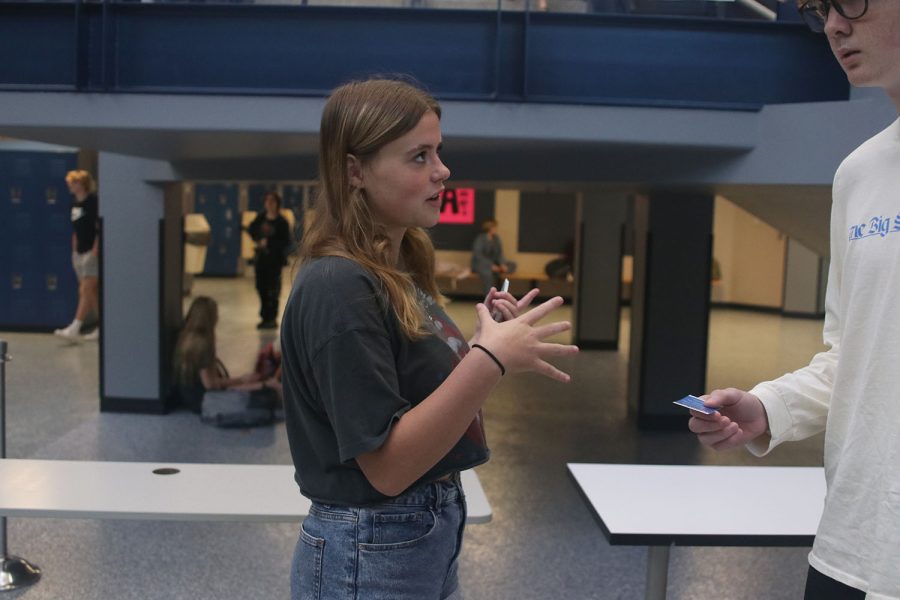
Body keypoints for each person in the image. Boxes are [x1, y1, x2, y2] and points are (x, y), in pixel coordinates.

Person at [281, 78, 579, 600]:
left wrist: (484, 341)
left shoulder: (393, 266)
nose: (442, 171)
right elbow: (389, 467)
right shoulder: (340, 285)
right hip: (370, 546)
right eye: (418, 157)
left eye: (438, 152)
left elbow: (422, 396)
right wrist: (489, 360)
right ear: (355, 171)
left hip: (418, 538)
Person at [688, 1, 900, 597]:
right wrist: (768, 407)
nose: (834, 26)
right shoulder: (860, 173)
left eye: (853, 2)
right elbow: (851, 355)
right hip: (852, 546)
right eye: (820, 10)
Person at [172, 296, 279, 413]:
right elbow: (211, 385)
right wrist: (244, 381)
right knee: (265, 392)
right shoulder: (203, 344)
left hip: (190, 397)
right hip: (205, 400)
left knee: (254, 383)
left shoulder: (184, 337)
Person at [55, 170, 100, 341]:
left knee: (86, 289)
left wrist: (95, 252)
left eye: (73, 183)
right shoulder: (75, 204)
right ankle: (103, 327)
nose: (70, 186)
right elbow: (76, 230)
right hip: (79, 252)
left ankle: (75, 326)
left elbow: (99, 229)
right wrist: (74, 251)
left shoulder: (92, 203)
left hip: (91, 252)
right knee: (93, 292)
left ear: (82, 184)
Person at [247, 191, 291, 329]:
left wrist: (270, 243)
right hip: (261, 259)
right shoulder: (260, 218)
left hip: (274, 261)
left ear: (277, 204)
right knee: (261, 287)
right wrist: (259, 240)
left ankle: (272, 318)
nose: (269, 204)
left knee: (273, 289)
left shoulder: (282, 222)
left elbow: (286, 241)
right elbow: (251, 229)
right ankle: (264, 317)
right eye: (267, 201)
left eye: (272, 201)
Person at [471, 218, 515, 296]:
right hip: (481, 264)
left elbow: (499, 254)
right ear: (489, 228)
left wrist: (502, 264)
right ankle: (489, 296)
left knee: (513, 265)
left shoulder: (496, 239)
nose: (496, 229)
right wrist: (490, 265)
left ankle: (500, 293)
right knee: (488, 274)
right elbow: (478, 256)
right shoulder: (480, 239)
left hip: (495, 263)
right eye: (494, 227)